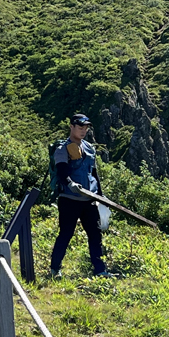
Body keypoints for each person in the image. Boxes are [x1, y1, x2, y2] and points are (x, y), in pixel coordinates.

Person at [50, 114, 109, 278]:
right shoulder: (62, 149)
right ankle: (55, 269)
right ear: (72, 127)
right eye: (80, 127)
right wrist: (70, 184)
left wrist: (100, 196)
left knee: (95, 234)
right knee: (66, 233)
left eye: (86, 128)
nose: (83, 131)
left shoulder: (89, 148)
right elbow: (62, 171)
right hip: (69, 199)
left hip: (89, 200)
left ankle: (100, 270)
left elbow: (94, 173)